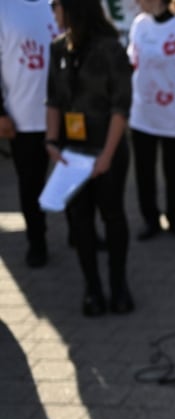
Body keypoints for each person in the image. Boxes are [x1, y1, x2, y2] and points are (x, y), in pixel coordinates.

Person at [45, 0, 134, 316]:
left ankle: (119, 286)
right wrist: (52, 141)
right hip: (73, 154)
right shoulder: (58, 49)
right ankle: (92, 289)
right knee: (80, 220)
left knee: (112, 216)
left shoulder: (110, 49)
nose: (53, 11)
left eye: (56, 5)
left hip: (107, 149)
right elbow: (53, 99)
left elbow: (121, 107)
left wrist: (107, 155)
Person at [127, 0, 175, 240]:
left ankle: (174, 218)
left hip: (174, 114)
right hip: (142, 113)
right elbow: (132, 63)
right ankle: (150, 219)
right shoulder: (139, 24)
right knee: (144, 170)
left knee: (173, 170)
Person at [0, 0, 58, 267]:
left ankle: (80, 234)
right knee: (31, 185)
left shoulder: (55, 5)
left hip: (62, 115)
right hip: (24, 119)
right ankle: (37, 242)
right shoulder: (4, 8)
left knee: (71, 182)